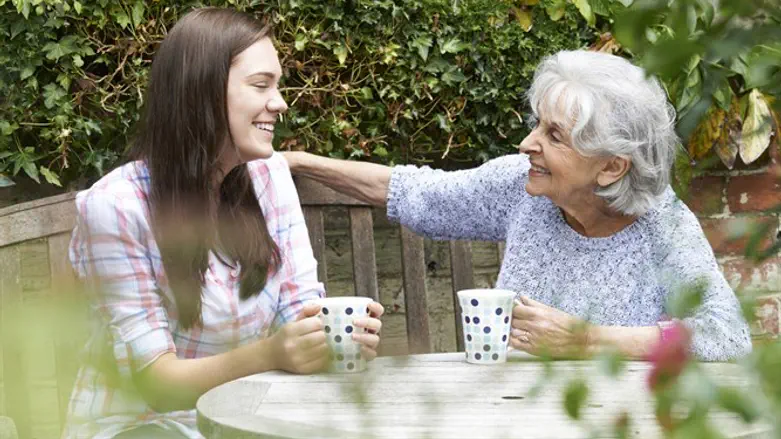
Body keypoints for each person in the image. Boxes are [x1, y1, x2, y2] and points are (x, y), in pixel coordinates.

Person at [283, 50, 752, 363]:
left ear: (610, 167)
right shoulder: (522, 186)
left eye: (553, 136)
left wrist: (586, 340)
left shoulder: (662, 226)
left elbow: (727, 335)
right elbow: (416, 192)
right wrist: (299, 162)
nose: (527, 143)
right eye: (537, 125)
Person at [64, 8, 384, 439]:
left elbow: (298, 308)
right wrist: (271, 354)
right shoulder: (116, 207)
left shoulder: (269, 178)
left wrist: (330, 336)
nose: (280, 102)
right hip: (142, 426)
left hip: (248, 418)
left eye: (278, 85)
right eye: (260, 85)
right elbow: (155, 383)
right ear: (203, 93)